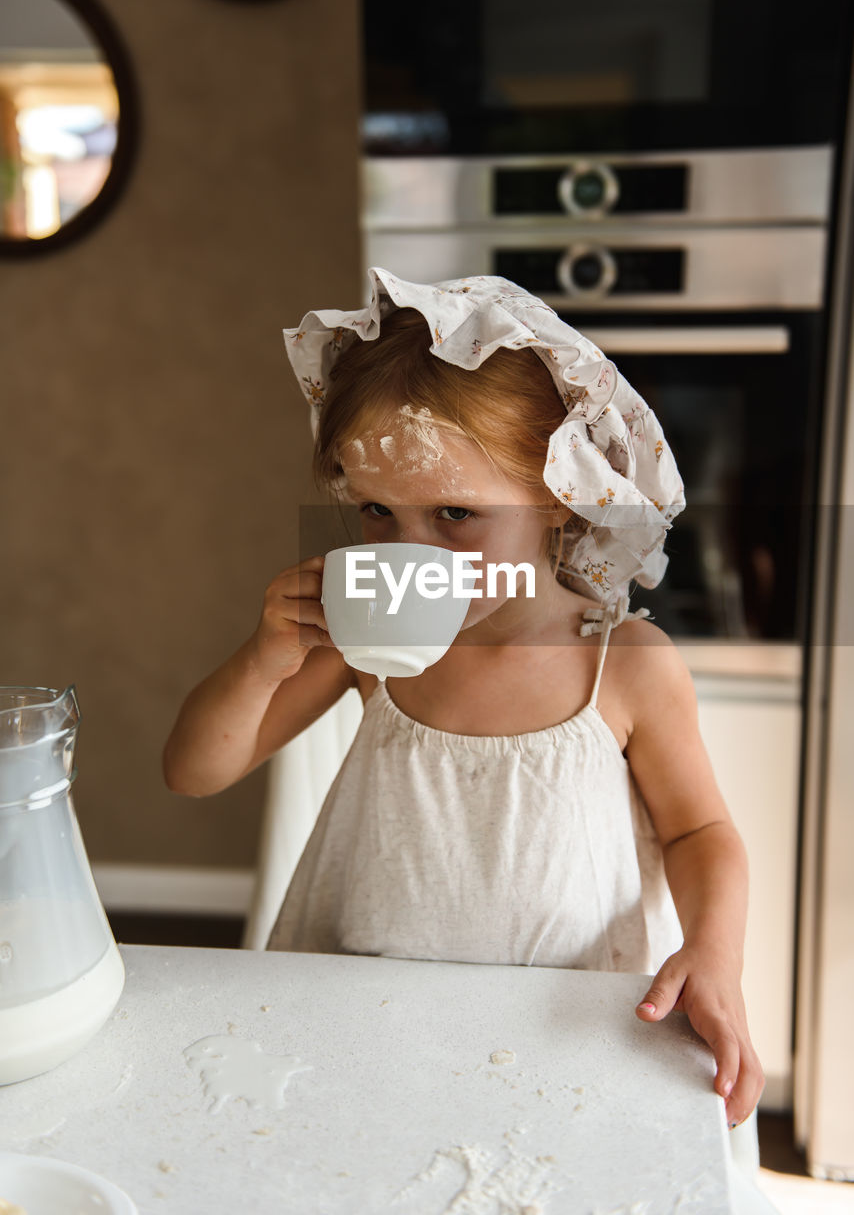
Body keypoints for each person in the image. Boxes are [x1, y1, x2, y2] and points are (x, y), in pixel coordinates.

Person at [163, 268, 765, 1139]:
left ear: (564, 500)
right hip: (363, 1015)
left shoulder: (623, 667)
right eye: (376, 510)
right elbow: (193, 772)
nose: (411, 552)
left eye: (454, 512)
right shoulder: (364, 648)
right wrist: (263, 660)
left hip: (560, 1030)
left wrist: (716, 953)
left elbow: (700, 833)